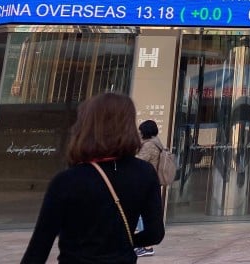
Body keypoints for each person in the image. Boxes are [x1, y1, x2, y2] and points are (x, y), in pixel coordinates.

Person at [21, 92, 164, 264]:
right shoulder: (145, 173)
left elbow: (38, 249)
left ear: (86, 126)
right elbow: (155, 233)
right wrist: (122, 242)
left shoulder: (67, 181)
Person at [134, 119, 166, 257]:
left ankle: (147, 246)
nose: (139, 133)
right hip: (149, 182)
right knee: (143, 213)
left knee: (141, 214)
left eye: (140, 131)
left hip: (145, 183)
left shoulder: (149, 146)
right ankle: (145, 245)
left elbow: (138, 161)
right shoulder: (155, 142)